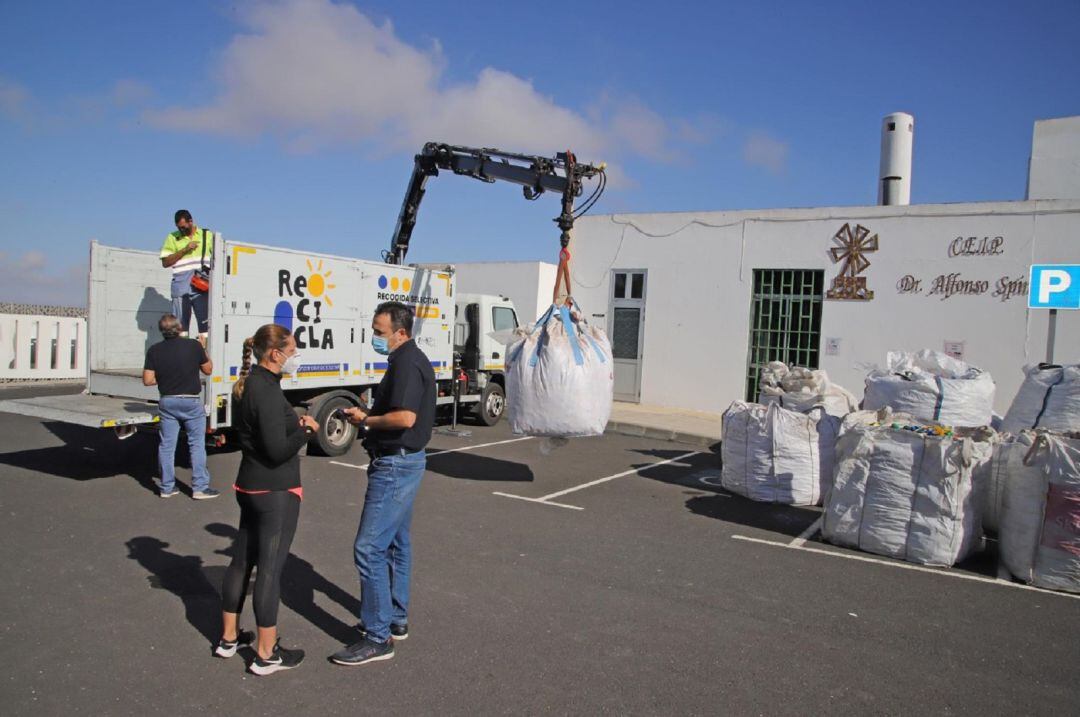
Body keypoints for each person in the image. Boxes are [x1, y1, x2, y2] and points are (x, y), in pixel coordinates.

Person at [331, 301, 435, 667]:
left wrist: (369, 421)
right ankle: (394, 618)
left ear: (400, 332)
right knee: (395, 544)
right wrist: (369, 413)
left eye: (379, 331)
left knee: (369, 548)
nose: (374, 336)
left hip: (395, 465)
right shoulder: (408, 359)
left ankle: (378, 637)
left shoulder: (407, 361)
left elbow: (406, 416)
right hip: (404, 463)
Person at [218, 324, 319, 676]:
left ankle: (229, 638)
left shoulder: (248, 385)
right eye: (292, 351)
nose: (295, 357)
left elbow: (259, 434)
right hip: (274, 490)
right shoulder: (267, 391)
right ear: (275, 354)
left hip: (249, 485)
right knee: (270, 571)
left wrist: (293, 424)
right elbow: (277, 451)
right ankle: (266, 652)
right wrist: (306, 430)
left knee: (241, 562)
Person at [142, 314, 215, 499]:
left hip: (168, 401)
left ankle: (167, 487)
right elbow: (208, 370)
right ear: (180, 327)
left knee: (167, 446)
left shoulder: (154, 350)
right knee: (196, 444)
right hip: (190, 401)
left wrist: (166, 376)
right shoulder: (193, 345)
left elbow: (148, 380)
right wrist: (204, 348)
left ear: (161, 330)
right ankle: (199, 488)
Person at [160, 209, 213, 344]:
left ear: (191, 221)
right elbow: (165, 262)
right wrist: (185, 249)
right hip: (181, 286)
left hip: (201, 287)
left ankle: (205, 358)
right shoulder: (172, 237)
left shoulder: (207, 236)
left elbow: (219, 259)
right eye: (179, 228)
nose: (181, 230)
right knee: (180, 327)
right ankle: (181, 356)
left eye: (183, 227)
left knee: (205, 327)